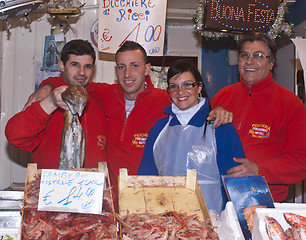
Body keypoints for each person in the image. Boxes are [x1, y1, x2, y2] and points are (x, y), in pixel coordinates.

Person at [23, 41, 233, 208]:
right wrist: (47, 86)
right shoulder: (103, 94)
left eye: (135, 66)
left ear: (147, 68)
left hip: (148, 202)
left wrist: (218, 108)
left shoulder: (165, 98)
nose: (128, 74)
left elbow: (190, 100)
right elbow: (73, 80)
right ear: (116, 70)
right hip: (104, 202)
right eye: (122, 67)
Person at [138, 60, 245, 213]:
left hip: (212, 224)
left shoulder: (219, 126)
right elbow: (145, 181)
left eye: (187, 84)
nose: (180, 92)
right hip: (167, 225)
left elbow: (236, 183)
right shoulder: (158, 129)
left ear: (199, 87)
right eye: (174, 86)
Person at [210, 32, 306, 202]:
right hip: (219, 198)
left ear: (271, 63)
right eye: (244, 55)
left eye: (258, 56)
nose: (249, 61)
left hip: (264, 201)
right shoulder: (221, 97)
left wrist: (258, 169)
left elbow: (300, 162)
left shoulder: (291, 104)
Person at [5, 39, 107, 169]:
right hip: (53, 187)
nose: (82, 72)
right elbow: (15, 137)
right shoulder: (47, 100)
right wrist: (51, 102)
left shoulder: (100, 99)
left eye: (87, 66)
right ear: (62, 65)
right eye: (75, 65)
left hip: (92, 188)